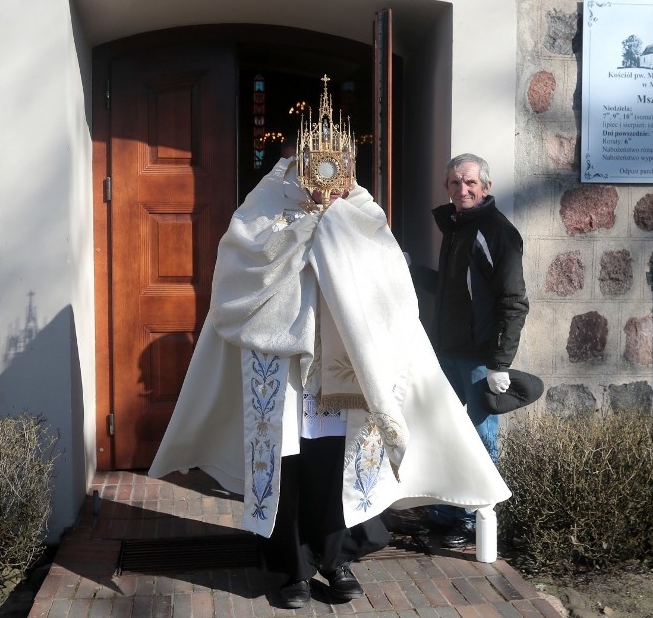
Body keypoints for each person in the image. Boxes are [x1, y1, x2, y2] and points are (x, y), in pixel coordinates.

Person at [149, 82, 511, 609]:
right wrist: (301, 234)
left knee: (335, 464)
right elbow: (236, 272)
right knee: (290, 469)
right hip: (284, 365)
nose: (325, 170)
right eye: (314, 157)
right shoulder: (264, 205)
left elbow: (390, 284)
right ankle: (293, 572)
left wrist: (335, 227)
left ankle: (337, 561)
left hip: (345, 368)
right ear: (294, 156)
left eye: (338, 159)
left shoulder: (361, 209)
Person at [428, 153, 544, 549]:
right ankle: (447, 513)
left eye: (471, 183)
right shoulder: (457, 228)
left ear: (486, 187)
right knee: (445, 431)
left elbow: (513, 301)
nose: (463, 190)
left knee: (480, 437)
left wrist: (499, 363)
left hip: (479, 357)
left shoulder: (496, 231)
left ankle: (475, 520)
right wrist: (404, 268)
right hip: (448, 350)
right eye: (456, 183)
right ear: (447, 187)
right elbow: (452, 290)